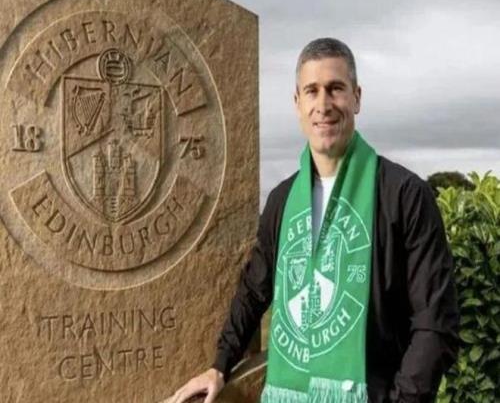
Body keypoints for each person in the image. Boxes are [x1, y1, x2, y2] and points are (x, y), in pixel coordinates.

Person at [168, 38, 459, 403]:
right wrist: (220, 364)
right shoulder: (282, 200)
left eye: (336, 89)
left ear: (356, 97)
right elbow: (255, 289)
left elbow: (436, 322)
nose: (323, 105)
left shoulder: (405, 196)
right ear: (297, 103)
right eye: (312, 91)